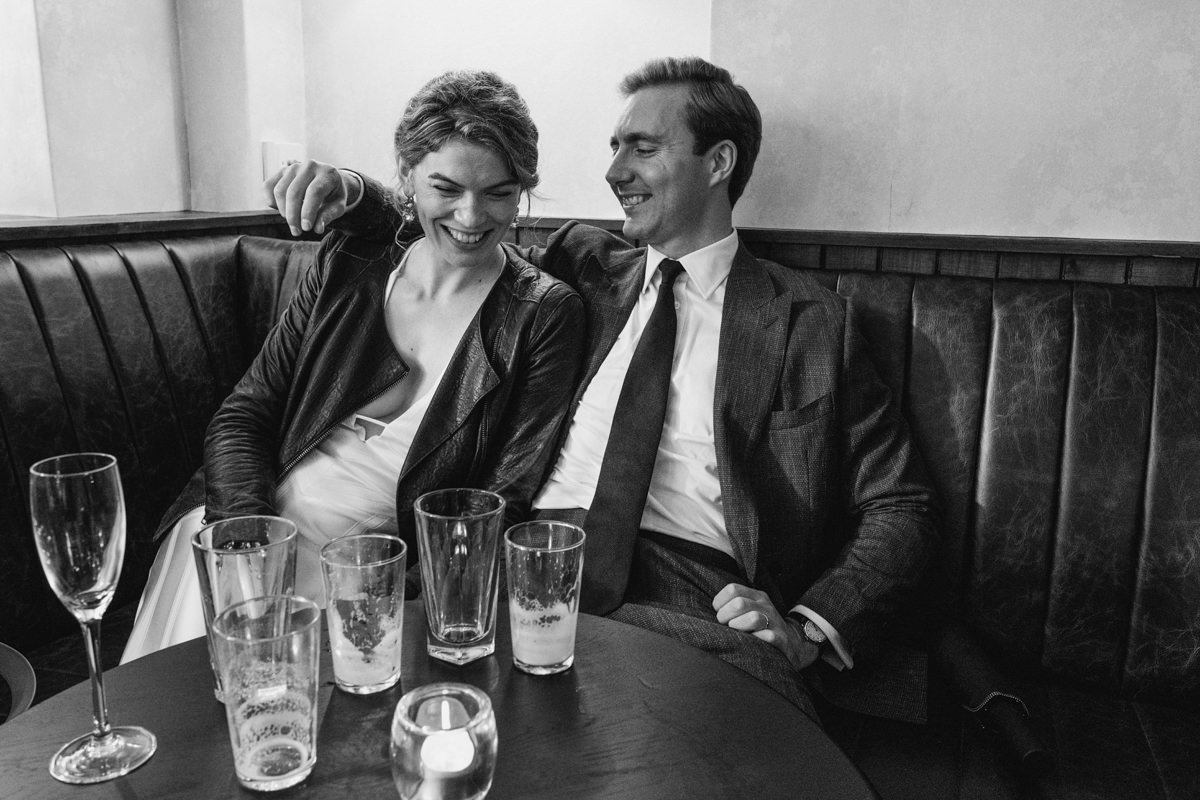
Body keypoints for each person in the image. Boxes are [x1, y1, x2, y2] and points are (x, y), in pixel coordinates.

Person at [268, 57, 939, 722]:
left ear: (719, 162)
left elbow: (900, 502)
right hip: (520, 568)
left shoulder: (811, 322)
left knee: (740, 735)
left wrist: (808, 625)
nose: (615, 171)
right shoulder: (580, 265)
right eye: (615, 147)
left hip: (692, 597)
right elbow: (462, 224)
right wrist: (354, 193)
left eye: (642, 149)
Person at [121, 70, 585, 663]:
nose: (471, 217)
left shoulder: (543, 314)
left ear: (523, 190)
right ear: (407, 176)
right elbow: (244, 415)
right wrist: (247, 542)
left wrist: (398, 600)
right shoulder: (352, 261)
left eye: (498, 192)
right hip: (247, 520)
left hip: (369, 572)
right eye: (446, 188)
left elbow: (503, 499)